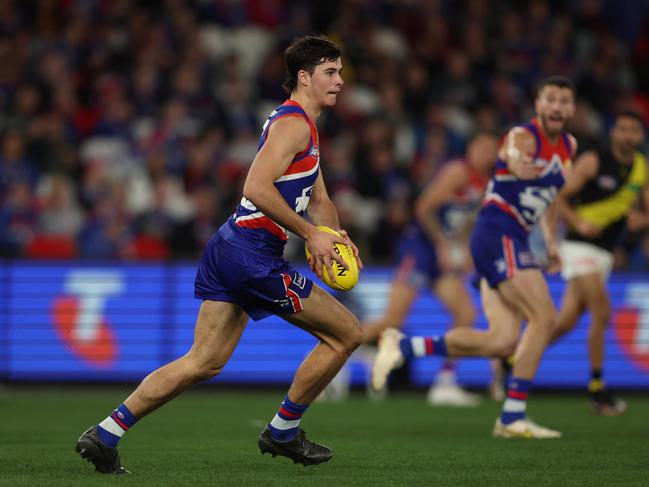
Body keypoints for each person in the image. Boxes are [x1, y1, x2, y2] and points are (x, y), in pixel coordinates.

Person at [75, 35, 364, 474]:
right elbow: (255, 187)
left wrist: (332, 235)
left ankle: (106, 433)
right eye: (331, 72)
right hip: (253, 254)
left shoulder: (302, 122)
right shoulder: (294, 125)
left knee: (204, 360)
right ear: (304, 77)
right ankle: (283, 431)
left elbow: (319, 195)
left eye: (339, 71)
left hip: (231, 246)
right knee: (347, 334)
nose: (340, 81)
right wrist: (309, 233)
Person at [371, 75, 576, 438]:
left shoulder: (568, 148)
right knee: (544, 317)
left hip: (495, 240)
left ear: (571, 108)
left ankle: (404, 346)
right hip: (494, 236)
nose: (557, 106)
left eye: (565, 100)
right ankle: (512, 416)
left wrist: (552, 242)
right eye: (551, 100)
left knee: (501, 341)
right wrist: (516, 163)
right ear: (539, 106)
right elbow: (512, 155)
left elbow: (551, 199)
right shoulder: (522, 137)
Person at [360, 132, 498, 406]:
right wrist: (443, 246)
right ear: (470, 149)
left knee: (465, 313)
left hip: (440, 253)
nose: (486, 154)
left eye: (491, 149)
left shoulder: (486, 184)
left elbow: (469, 221)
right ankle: (337, 348)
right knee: (392, 320)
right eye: (481, 147)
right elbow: (423, 209)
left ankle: (445, 382)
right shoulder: (458, 172)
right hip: (419, 247)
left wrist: (465, 250)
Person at [551, 110, 648, 415]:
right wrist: (578, 222)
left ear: (640, 136)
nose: (628, 135)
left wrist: (638, 219)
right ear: (613, 133)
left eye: (633, 130)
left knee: (565, 322)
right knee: (603, 311)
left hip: (604, 252)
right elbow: (558, 198)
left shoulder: (642, 168)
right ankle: (597, 388)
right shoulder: (593, 161)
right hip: (579, 246)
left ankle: (511, 358)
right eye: (622, 128)